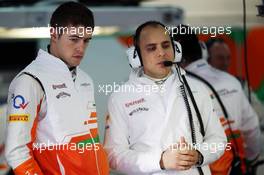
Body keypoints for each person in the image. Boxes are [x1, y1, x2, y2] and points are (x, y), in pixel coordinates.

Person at [104, 21, 226, 175]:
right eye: (151, 48)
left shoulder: (197, 88)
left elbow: (218, 139)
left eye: (166, 45)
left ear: (176, 49)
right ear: (136, 56)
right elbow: (114, 155)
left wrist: (199, 155)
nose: (161, 53)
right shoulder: (120, 97)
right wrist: (160, 161)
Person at [5, 2, 109, 175]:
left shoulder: (85, 79)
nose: (81, 48)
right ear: (54, 34)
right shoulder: (29, 81)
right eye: (74, 39)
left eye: (86, 41)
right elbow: (16, 151)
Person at [173, 25, 261, 175]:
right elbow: (252, 129)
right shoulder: (231, 81)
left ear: (175, 55)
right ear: (202, 49)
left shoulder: (180, 88)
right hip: (236, 166)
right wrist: (249, 159)